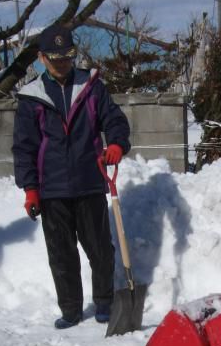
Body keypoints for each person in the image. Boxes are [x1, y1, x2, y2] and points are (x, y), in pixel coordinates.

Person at [12, 24, 131, 329]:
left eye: (67, 57)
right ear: (41, 58)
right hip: (52, 189)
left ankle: (104, 302)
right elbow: (24, 147)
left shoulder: (91, 87)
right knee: (62, 255)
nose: (62, 63)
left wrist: (116, 142)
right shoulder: (32, 98)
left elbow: (113, 119)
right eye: (55, 58)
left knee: (100, 249)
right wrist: (30, 189)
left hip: (90, 181)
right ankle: (71, 309)